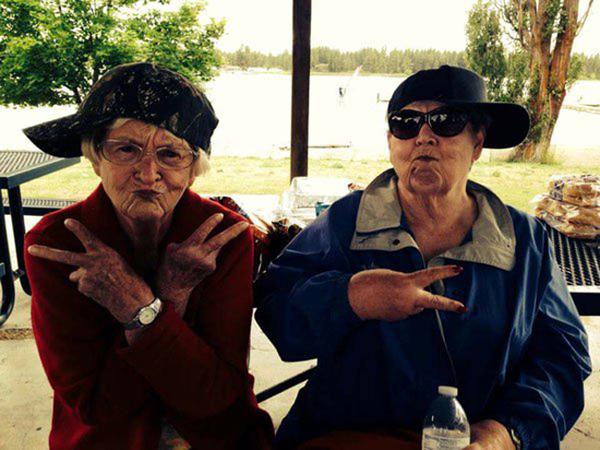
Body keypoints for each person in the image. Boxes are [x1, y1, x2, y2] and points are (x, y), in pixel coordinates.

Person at [254, 65, 591, 450]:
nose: (424, 136)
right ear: (391, 142)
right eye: (406, 123)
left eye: (447, 122)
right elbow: (277, 315)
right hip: (346, 437)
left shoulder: (525, 240)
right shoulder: (345, 223)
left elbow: (563, 356)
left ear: (477, 144)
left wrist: (507, 432)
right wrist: (351, 297)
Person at [23, 62, 273, 449]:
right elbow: (94, 406)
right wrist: (167, 303)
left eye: (170, 154)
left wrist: (143, 309)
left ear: (193, 170)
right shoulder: (56, 244)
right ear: (95, 157)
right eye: (127, 149)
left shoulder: (224, 236)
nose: (148, 173)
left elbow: (218, 395)